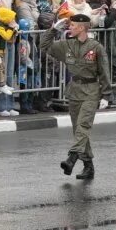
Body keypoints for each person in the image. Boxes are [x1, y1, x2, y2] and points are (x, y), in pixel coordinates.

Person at [44, 11, 106, 180]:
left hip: (91, 90)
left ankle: (72, 158)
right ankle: (88, 166)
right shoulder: (66, 45)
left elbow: (104, 72)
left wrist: (107, 95)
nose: (69, 28)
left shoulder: (96, 47)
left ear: (81, 27)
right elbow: (45, 47)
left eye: (72, 25)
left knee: (83, 126)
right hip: (75, 90)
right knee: (78, 130)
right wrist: (53, 30)